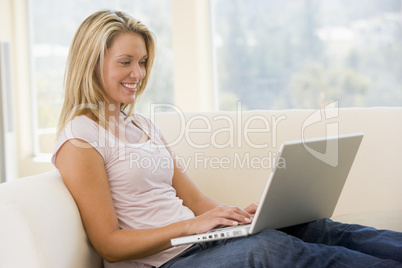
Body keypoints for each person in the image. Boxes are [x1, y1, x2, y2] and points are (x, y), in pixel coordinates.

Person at [52, 10, 402, 268]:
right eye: (126, 62)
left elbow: (193, 198)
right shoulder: (80, 139)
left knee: (313, 227)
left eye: (142, 62)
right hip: (166, 262)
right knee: (271, 250)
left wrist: (234, 217)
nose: (138, 74)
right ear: (91, 63)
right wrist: (191, 226)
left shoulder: (141, 125)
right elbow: (109, 244)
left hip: (200, 244)